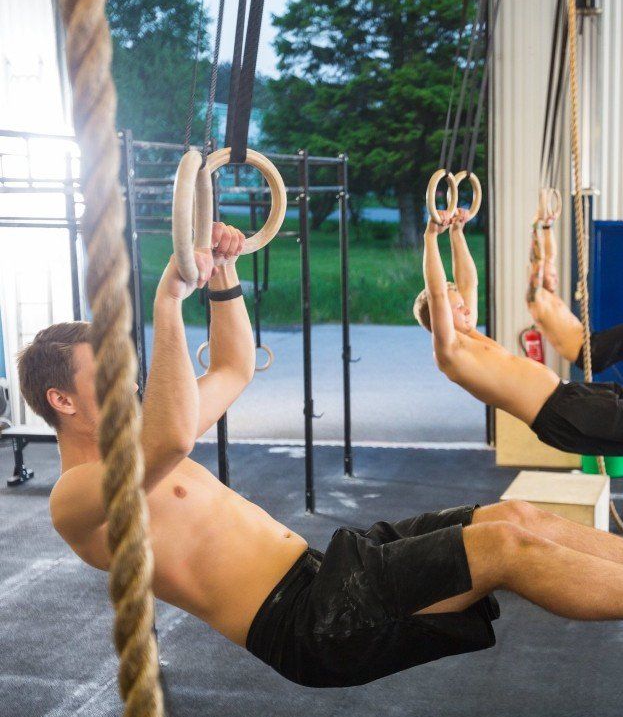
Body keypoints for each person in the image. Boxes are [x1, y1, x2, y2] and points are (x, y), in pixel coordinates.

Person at [18, 223, 623, 691]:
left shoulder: (144, 444)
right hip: (309, 621)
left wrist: (224, 273)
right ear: (61, 400)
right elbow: (173, 439)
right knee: (506, 549)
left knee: (514, 518)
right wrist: (168, 305)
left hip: (329, 570)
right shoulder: (74, 497)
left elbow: (233, 368)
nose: (130, 379)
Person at [413, 209, 623, 456]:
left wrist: (457, 232)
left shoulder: (469, 335)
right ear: (441, 318)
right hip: (563, 412)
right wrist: (430, 236)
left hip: (571, 396)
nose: (467, 308)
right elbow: (437, 293)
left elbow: (469, 282)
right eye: (458, 307)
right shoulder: (450, 353)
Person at [526, 216, 623, 373]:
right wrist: (535, 228)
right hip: (589, 353)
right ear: (539, 275)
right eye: (552, 276)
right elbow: (538, 261)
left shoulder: (548, 295)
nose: (556, 279)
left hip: (592, 342)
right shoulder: (537, 301)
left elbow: (550, 256)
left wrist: (547, 227)